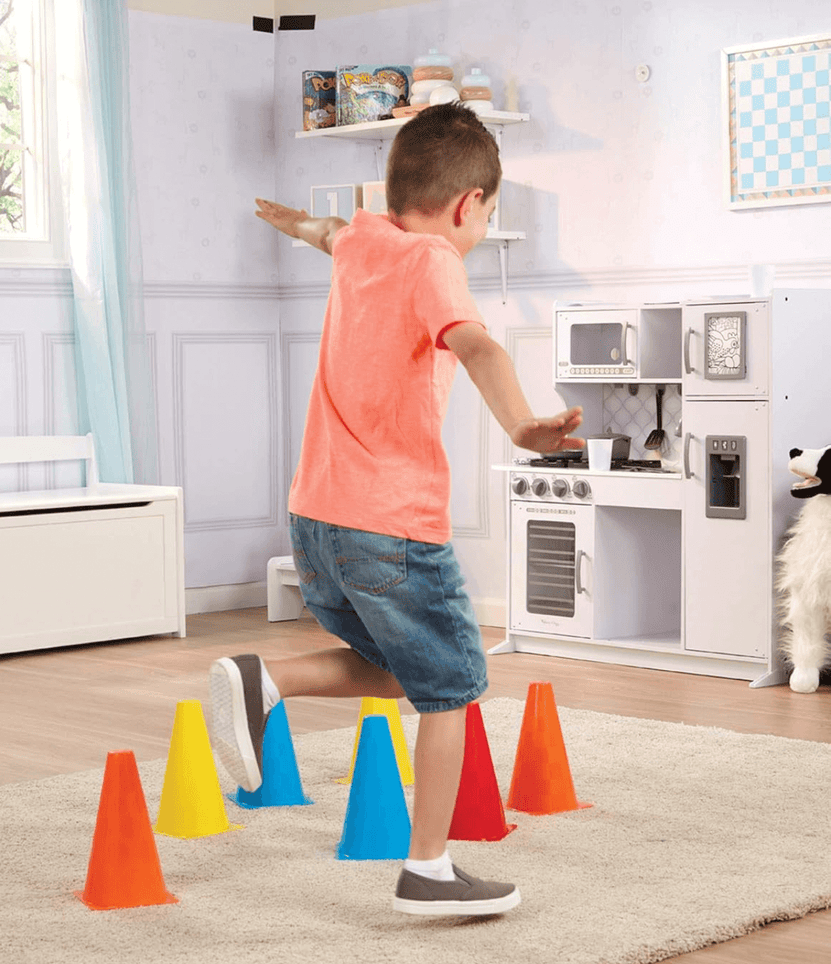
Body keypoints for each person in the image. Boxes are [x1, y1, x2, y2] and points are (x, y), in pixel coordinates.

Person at [208, 102, 583, 916]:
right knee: (452, 686)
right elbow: (476, 343)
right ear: (466, 205)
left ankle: (262, 678)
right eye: (487, 213)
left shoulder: (367, 241)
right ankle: (429, 871)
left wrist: (293, 222)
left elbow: (329, 233)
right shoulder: (433, 261)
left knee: (402, 669)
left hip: (316, 520)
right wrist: (522, 424)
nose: (482, 227)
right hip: (390, 524)